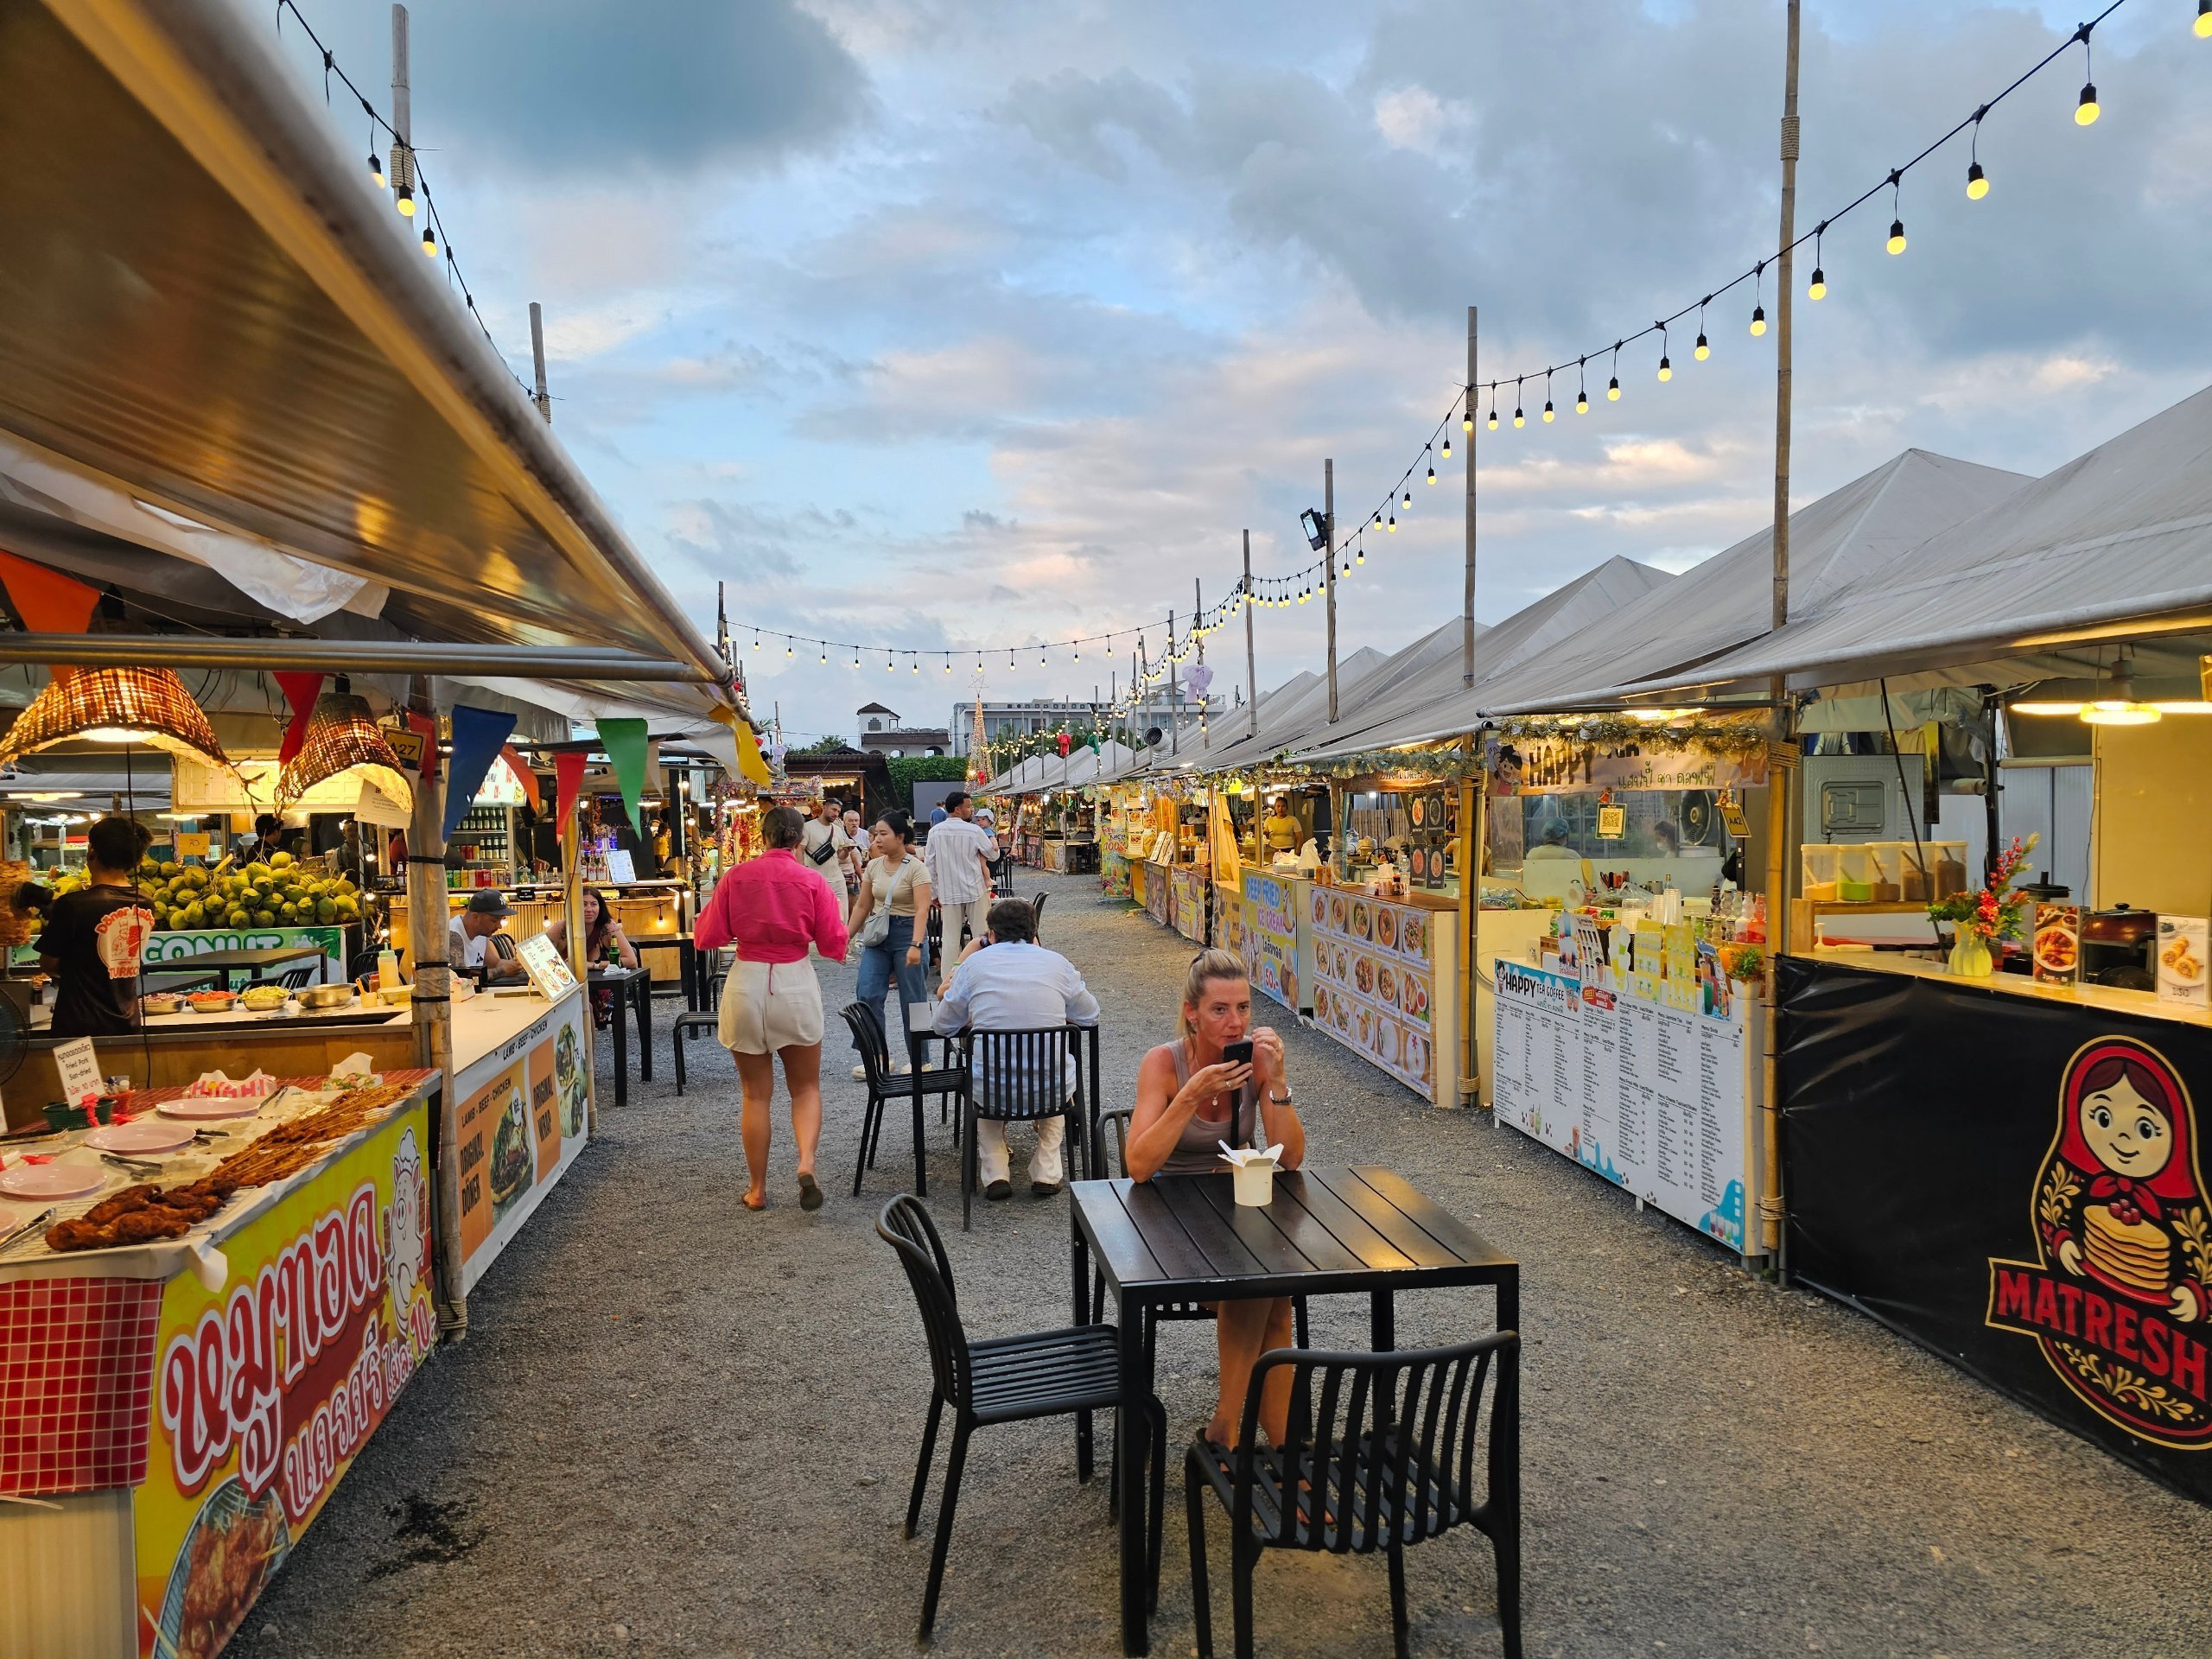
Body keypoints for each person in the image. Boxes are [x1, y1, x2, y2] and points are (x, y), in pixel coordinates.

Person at [1126, 950, 1306, 1449]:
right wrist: (1189, 1096)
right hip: (1169, 1221)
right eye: (1220, 1010)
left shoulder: (1253, 1062)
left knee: (1268, 1289)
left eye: (1243, 1008)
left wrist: (1278, 1079)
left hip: (1233, 1213)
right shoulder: (1164, 1064)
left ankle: (1252, 1437)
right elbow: (1138, 1166)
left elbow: (1291, 1158)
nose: (1235, 1023)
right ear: (1192, 1013)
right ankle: (1257, 1439)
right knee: (1263, 1286)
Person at [695, 804, 849, 1211]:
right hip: (794, 980)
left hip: (747, 980)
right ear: (801, 839)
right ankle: (806, 1161)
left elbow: (707, 935)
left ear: (762, 837)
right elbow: (833, 943)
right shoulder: (812, 880)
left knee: (755, 1095)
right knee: (806, 1087)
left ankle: (758, 1189)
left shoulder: (736, 876)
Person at [932, 897, 1098, 1198]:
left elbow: (942, 1025)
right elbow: (1090, 1015)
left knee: (984, 1086)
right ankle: (1047, 1170)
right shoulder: (1056, 963)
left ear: (991, 934)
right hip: (1050, 1090)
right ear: (1034, 932)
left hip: (992, 1091)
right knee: (1056, 1076)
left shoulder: (974, 965)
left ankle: (995, 1171)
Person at [35, 815, 156, 1039]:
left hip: (77, 1027)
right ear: (138, 861)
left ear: (91, 851)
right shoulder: (146, 903)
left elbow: (48, 964)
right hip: (128, 1023)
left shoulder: (72, 905)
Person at [846, 810, 931, 1078]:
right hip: (879, 935)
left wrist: (916, 944)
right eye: (875, 835)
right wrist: (845, 937)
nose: (877, 840)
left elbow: (923, 909)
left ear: (900, 836)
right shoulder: (873, 866)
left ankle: (921, 1059)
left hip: (909, 933)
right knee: (867, 993)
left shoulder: (917, 868)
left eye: (883, 834)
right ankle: (877, 1057)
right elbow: (863, 905)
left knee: (913, 999)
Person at [542, 887, 639, 1027]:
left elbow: (631, 961)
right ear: (574, 908)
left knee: (585, 1006)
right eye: (583, 904)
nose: (589, 909)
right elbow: (540, 954)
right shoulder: (562, 927)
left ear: (600, 907)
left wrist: (593, 965)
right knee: (574, 1005)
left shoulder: (607, 927)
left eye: (594, 904)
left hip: (601, 989)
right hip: (567, 987)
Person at [923, 790, 998, 958]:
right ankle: (982, 969)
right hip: (975, 888)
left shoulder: (935, 832)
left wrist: (934, 893)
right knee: (982, 934)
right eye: (969, 806)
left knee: (950, 939)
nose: (971, 810)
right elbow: (993, 855)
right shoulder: (974, 831)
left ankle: (950, 974)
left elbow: (930, 865)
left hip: (948, 891)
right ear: (958, 809)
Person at [449, 890, 527, 983]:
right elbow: (460, 981)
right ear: (475, 917)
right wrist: (503, 970)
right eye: (494, 920)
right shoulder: (453, 936)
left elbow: (495, 964)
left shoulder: (482, 934)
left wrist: (518, 965)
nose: (500, 926)